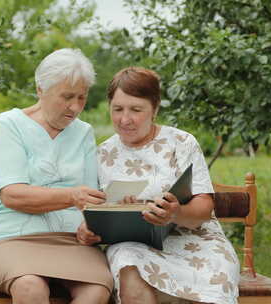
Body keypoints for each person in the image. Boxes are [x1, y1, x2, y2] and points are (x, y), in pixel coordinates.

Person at [77, 67, 240, 304]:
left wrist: (176, 213)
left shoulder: (181, 142)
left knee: (216, 275)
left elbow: (204, 207)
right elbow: (92, 212)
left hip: (195, 240)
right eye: (118, 109)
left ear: (155, 109)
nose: (125, 119)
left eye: (136, 110)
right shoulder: (102, 154)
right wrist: (88, 231)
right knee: (128, 267)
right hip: (133, 246)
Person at [0, 48, 113, 304]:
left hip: (71, 242)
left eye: (82, 97)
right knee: (30, 286)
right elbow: (12, 195)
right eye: (67, 96)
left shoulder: (83, 132)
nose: (75, 107)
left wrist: (89, 227)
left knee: (97, 289)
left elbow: (91, 200)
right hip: (11, 239)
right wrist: (72, 196)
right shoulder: (8, 126)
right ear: (41, 89)